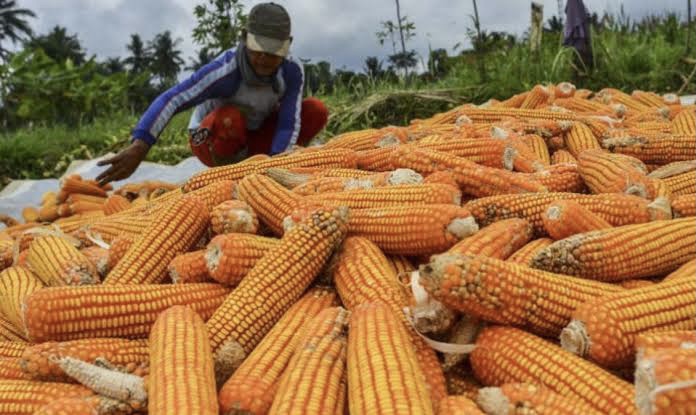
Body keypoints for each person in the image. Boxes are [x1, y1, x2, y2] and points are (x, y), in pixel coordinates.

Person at [96, 2, 328, 185]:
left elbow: (288, 123)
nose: (264, 59)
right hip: (212, 137)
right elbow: (173, 98)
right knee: (229, 118)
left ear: (288, 45)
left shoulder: (291, 70)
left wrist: (279, 168)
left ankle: (264, 172)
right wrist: (140, 146)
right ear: (245, 38)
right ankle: (228, 179)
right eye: (258, 49)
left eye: (274, 51)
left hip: (255, 137)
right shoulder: (225, 70)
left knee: (315, 110)